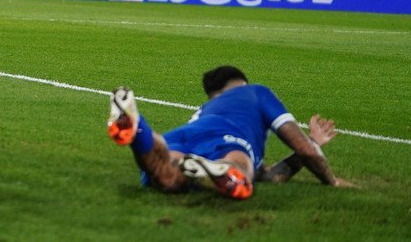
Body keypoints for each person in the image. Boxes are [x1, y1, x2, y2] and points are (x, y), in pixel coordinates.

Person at [107, 65, 350, 200]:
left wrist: (311, 143)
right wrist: (332, 179)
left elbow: (268, 176)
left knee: (166, 175)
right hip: (227, 140)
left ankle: (139, 130)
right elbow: (304, 150)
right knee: (239, 165)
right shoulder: (256, 92)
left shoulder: (203, 110)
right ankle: (224, 168)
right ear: (242, 82)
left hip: (183, 135)